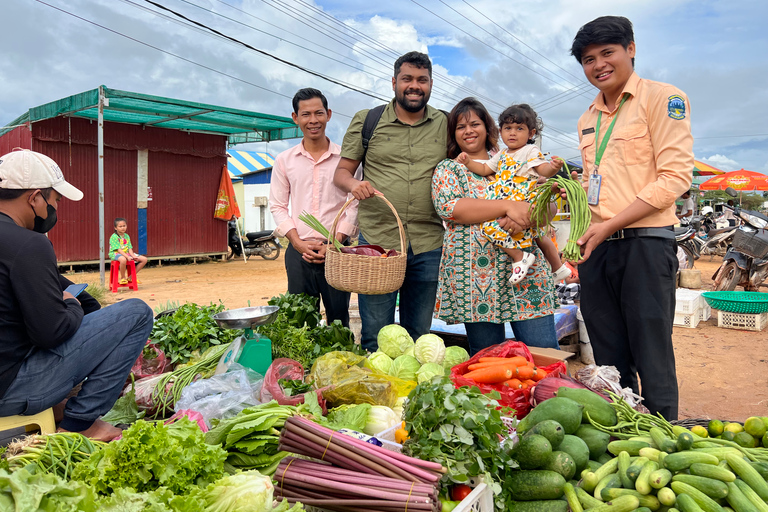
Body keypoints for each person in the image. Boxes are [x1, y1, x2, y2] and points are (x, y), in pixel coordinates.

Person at [570, 16, 694, 420]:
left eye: (608, 52)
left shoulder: (664, 98)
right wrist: (586, 231)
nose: (599, 65)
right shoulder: (587, 119)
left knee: (651, 350)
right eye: (589, 59)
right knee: (608, 352)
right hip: (599, 248)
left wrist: (611, 222)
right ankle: (626, 431)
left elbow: (675, 177)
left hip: (646, 241)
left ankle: (665, 439)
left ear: (631, 49)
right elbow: (594, 185)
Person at [0, 149, 154, 441]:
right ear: (34, 198)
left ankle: (59, 407)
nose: (55, 209)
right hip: (11, 390)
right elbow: (51, 332)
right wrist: (72, 306)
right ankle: (81, 423)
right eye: (55, 200)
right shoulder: (29, 244)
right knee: (137, 313)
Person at [334, 51, 447, 351]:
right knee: (375, 333)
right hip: (379, 244)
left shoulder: (445, 124)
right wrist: (355, 184)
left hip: (429, 242)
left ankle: (408, 394)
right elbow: (342, 173)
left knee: (418, 333)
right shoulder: (368, 120)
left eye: (422, 80)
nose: (415, 85)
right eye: (407, 79)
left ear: (431, 84)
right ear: (394, 82)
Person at [431, 97, 560, 354]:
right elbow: (451, 208)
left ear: (489, 128)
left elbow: (549, 209)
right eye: (460, 126)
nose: (468, 131)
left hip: (526, 275)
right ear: (452, 134)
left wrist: (528, 212)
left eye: (475, 124)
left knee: (544, 355)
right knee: (489, 359)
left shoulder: (516, 158)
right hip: (474, 281)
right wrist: (508, 206)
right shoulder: (450, 168)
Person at [270, 88, 358, 327]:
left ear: (328, 114)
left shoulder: (346, 158)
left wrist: (335, 242)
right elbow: (277, 205)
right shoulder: (284, 160)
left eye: (318, 113)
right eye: (306, 114)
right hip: (300, 252)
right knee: (300, 322)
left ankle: (340, 362)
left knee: (339, 320)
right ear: (295, 118)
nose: (313, 120)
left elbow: (354, 203)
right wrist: (298, 243)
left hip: (338, 252)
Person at [457, 104, 571, 284]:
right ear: (500, 131)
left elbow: (542, 169)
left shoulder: (529, 151)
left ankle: (521, 258)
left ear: (531, 133)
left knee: (510, 229)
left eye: (519, 128)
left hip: (523, 197)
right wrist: (468, 162)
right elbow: (485, 168)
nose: (513, 133)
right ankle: (553, 266)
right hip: (510, 200)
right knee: (531, 233)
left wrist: (552, 168)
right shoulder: (501, 154)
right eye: (508, 128)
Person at [109, 217, 148, 284]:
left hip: (127, 253)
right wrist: (127, 257)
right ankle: (123, 278)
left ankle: (131, 277)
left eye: (124, 226)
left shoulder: (127, 236)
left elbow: (129, 248)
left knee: (144, 259)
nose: (123, 228)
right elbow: (119, 250)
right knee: (123, 259)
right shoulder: (114, 237)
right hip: (116, 253)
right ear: (115, 228)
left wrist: (133, 256)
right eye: (120, 226)